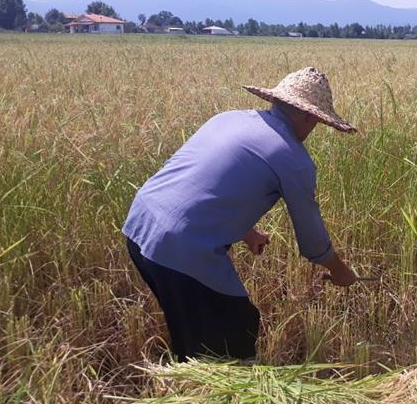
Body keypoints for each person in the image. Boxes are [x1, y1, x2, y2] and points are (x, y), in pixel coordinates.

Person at [123, 67, 359, 361]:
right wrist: (339, 271)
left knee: (194, 331)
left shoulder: (228, 118)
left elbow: (196, 184)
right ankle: (227, 397)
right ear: (311, 116)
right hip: (180, 246)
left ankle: (191, 386)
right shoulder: (294, 159)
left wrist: (247, 233)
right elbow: (312, 241)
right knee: (235, 326)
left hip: (139, 225)